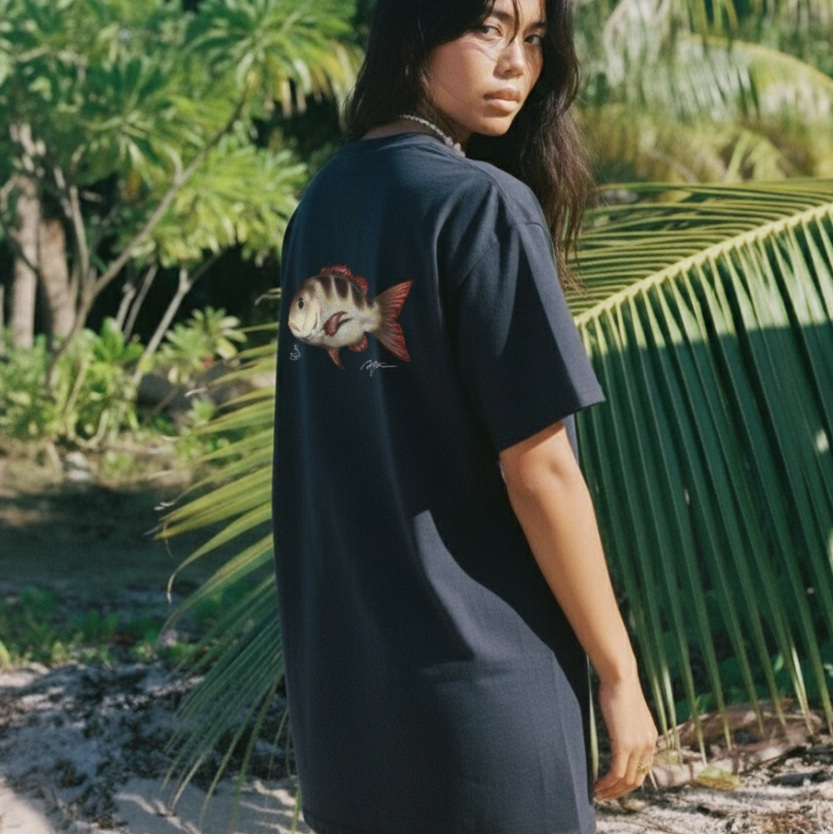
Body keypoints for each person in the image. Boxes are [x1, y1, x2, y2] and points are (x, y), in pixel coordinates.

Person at [271, 0, 658, 831]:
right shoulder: (482, 204)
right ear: (416, 30)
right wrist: (619, 672)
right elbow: (540, 469)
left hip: (346, 709)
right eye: (488, 27)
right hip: (487, 695)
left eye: (534, 38)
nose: (517, 62)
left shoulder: (322, 202)